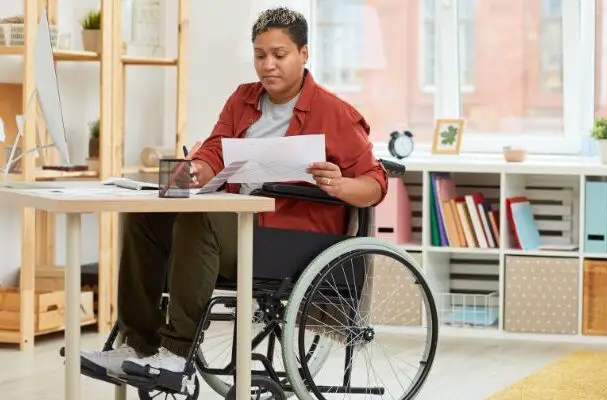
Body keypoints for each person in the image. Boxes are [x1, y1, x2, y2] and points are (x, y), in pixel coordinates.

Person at [81, 6, 388, 378]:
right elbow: (214, 149)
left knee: (203, 221)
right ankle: (137, 343)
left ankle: (176, 354)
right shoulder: (243, 98)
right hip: (238, 226)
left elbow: (374, 183)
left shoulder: (334, 113)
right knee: (144, 217)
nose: (267, 65)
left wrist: (340, 185)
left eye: (279, 55)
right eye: (260, 55)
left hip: (288, 239)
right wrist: (192, 172)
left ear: (304, 54)